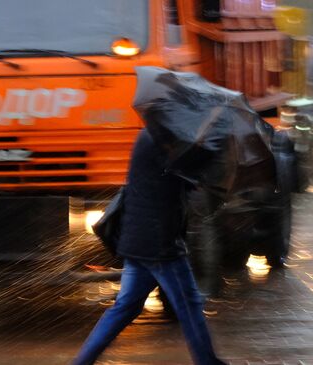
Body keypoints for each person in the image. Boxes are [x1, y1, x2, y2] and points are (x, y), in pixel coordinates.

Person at [73, 129, 226, 365]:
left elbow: (176, 178)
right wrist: (212, 146)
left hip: (138, 240)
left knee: (126, 307)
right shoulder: (165, 139)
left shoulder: (151, 136)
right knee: (189, 305)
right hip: (160, 245)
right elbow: (192, 172)